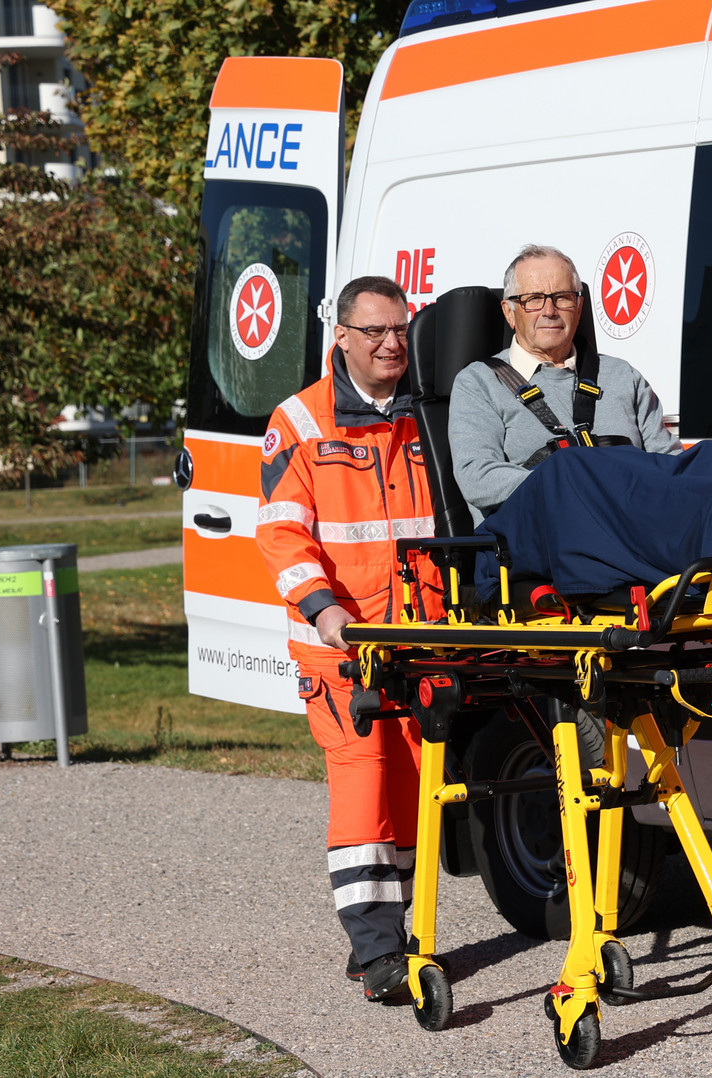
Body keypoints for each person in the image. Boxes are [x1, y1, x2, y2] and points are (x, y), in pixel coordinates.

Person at [256, 275, 441, 1003]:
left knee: (417, 792)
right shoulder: (299, 422)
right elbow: (280, 535)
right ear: (342, 337)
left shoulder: (426, 414)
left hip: (420, 641)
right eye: (374, 332)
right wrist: (326, 611)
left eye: (400, 329)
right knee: (364, 793)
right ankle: (377, 952)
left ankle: (397, 935)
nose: (391, 344)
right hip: (341, 648)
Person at [448, 244, 682, 520]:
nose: (549, 311)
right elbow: (478, 478)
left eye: (562, 297)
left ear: (579, 307)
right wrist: (573, 484)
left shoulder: (623, 376)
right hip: (544, 540)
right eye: (533, 299)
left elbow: (671, 464)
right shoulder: (478, 383)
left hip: (635, 525)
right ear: (509, 312)